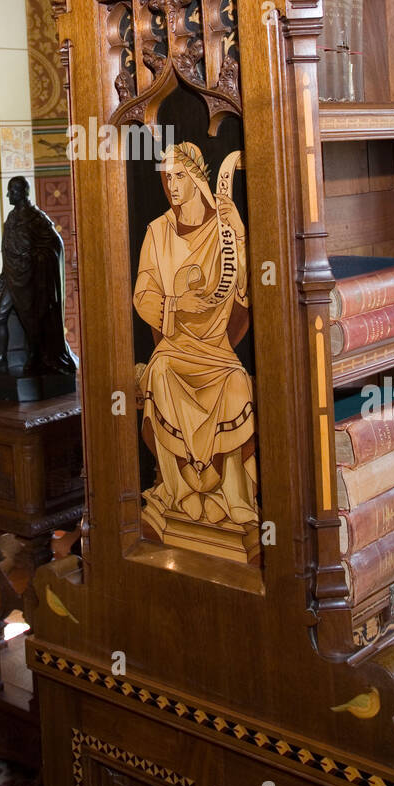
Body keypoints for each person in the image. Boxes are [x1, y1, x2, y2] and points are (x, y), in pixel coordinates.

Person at [133, 142, 258, 538]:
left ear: (197, 178)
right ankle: (176, 490)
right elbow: (142, 294)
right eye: (166, 177)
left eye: (179, 176)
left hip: (216, 349)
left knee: (238, 385)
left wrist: (238, 235)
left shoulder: (221, 230)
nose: (171, 184)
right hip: (176, 345)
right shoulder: (157, 232)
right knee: (161, 373)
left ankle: (235, 500)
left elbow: (244, 294)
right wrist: (174, 304)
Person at [0, 176, 77, 377]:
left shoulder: (37, 218)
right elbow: (8, 251)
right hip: (12, 277)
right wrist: (2, 276)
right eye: (9, 191)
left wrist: (36, 260)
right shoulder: (11, 218)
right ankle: (1, 360)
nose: (9, 195)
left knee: (33, 321)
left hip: (31, 279)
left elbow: (55, 245)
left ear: (23, 193)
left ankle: (36, 358)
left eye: (13, 191)